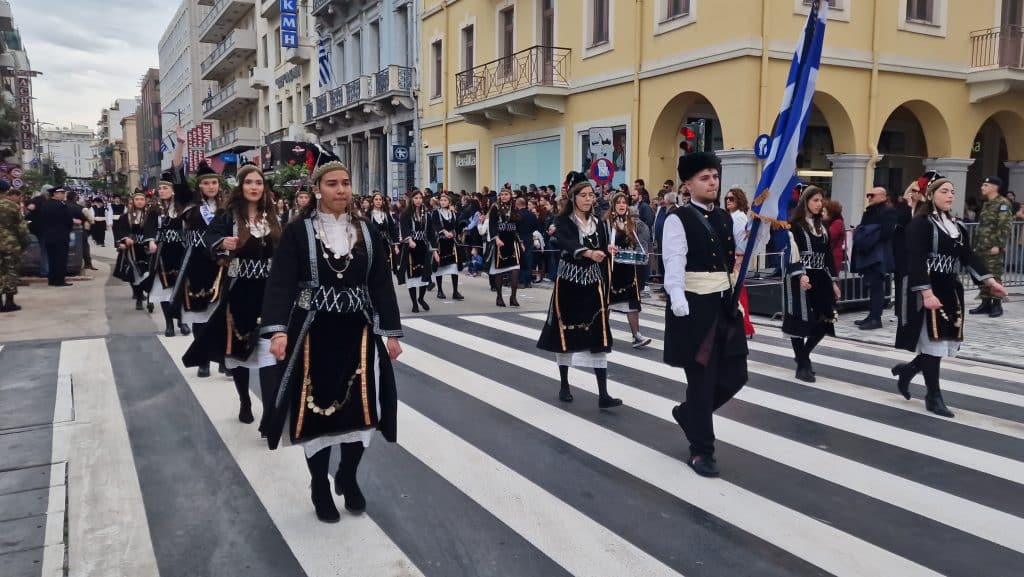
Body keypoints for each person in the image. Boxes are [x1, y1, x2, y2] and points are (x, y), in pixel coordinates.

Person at [261, 156, 403, 522]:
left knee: (363, 410)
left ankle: (348, 476)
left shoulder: (367, 231)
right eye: (332, 184)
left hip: (357, 331)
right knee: (315, 414)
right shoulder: (298, 232)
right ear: (317, 189)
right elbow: (280, 283)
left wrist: (390, 333)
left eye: (345, 183)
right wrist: (277, 329)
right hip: (312, 332)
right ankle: (320, 486)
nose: (341, 190)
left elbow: (381, 283)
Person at [663, 152, 748, 478]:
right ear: (688, 183)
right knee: (702, 381)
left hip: (724, 304)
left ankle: (689, 415)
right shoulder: (678, 218)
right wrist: (678, 298)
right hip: (695, 306)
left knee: (736, 374)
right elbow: (674, 260)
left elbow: (740, 253)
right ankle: (702, 450)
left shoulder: (726, 218)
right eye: (705, 177)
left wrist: (761, 223)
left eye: (715, 176)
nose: (712, 182)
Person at [891, 178, 1007, 417]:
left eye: (952, 192)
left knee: (941, 342)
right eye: (944, 191)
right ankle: (933, 396)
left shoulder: (957, 226)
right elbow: (916, 260)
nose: (950, 195)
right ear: (931, 194)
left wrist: (990, 280)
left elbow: (968, 256)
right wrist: (926, 292)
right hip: (930, 288)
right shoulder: (920, 224)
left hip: (950, 289)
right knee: (933, 344)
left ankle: (909, 371)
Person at [183, 163, 281, 429]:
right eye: (249, 182)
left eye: (259, 183)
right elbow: (209, 238)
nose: (254, 187)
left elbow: (283, 249)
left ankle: (270, 413)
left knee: (271, 352)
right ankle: (244, 400)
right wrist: (222, 243)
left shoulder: (271, 215)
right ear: (241, 186)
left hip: (269, 291)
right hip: (240, 289)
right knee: (238, 350)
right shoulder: (229, 215)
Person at [537, 177, 622, 409]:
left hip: (593, 283)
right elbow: (565, 241)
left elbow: (602, 249)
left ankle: (603, 394)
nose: (588, 199)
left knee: (598, 334)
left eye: (591, 195)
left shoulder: (599, 222)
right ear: (574, 198)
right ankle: (564, 384)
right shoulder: (563, 220)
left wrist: (607, 250)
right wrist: (587, 253)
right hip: (569, 283)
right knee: (565, 333)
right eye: (583, 195)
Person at [782, 186, 840, 383]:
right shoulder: (794, 226)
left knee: (825, 320)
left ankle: (803, 356)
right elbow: (791, 251)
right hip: (800, 277)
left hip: (820, 277)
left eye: (820, 200)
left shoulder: (822, 228)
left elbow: (828, 256)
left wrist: (833, 281)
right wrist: (800, 273)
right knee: (799, 319)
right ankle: (803, 365)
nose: (819, 204)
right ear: (806, 201)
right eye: (815, 200)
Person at [177, 159, 225, 378]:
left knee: (222, 314)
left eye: (214, 182)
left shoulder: (227, 207)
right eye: (206, 183)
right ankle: (203, 359)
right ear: (199, 186)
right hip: (196, 263)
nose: (211, 186)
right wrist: (179, 146)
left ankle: (224, 358)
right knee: (199, 313)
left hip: (220, 263)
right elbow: (178, 179)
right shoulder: (190, 204)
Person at [604, 192, 652, 349]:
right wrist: (607, 248)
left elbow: (637, 244)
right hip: (611, 269)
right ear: (613, 205)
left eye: (624, 202)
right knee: (607, 302)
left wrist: (639, 253)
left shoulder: (632, 224)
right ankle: (602, 333)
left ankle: (636, 336)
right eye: (619, 202)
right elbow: (600, 243)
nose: (622, 205)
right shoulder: (606, 222)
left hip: (628, 268)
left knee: (632, 303)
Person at [851, 186, 896, 330]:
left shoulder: (887, 211)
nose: (869, 198)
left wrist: (869, 237)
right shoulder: (870, 211)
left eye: (872, 195)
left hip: (878, 254)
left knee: (877, 287)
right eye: (868, 195)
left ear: (883, 196)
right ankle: (871, 316)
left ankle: (876, 318)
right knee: (872, 285)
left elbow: (887, 232)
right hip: (868, 253)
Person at [969, 176, 1014, 318]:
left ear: (995, 187)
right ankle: (985, 302)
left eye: (986, 185)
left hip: (993, 247)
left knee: (994, 275)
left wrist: (998, 245)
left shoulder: (1003, 203)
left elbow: (1005, 226)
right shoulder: (987, 204)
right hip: (981, 246)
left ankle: (996, 304)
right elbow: (982, 226)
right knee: (983, 275)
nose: (982, 187)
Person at [112, 192, 153, 311]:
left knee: (148, 274)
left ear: (145, 201)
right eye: (137, 199)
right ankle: (139, 298)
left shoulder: (150, 216)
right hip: (132, 250)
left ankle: (150, 297)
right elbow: (119, 231)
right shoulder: (126, 216)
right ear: (133, 201)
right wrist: (123, 240)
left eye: (142, 199)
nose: (140, 201)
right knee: (134, 275)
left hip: (146, 249)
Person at [28, 186, 75, 287]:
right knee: (61, 259)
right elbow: (68, 220)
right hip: (61, 235)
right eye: (62, 193)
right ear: (55, 194)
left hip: (48, 236)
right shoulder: (61, 205)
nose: (63, 195)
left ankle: (52, 279)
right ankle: (59, 280)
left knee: (51, 258)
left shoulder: (45, 205)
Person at [726, 187, 756, 338]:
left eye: (731, 199)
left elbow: (740, 241)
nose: (728, 201)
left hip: (736, 259)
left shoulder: (738, 218)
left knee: (737, 292)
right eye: (727, 198)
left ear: (739, 200)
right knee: (735, 292)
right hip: (732, 258)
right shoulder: (733, 216)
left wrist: (739, 260)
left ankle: (745, 327)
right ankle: (742, 326)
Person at [486, 188, 522, 307]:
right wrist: (496, 238)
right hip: (500, 240)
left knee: (515, 269)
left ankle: (513, 297)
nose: (504, 196)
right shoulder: (495, 207)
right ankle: (499, 296)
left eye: (506, 194)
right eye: (502, 194)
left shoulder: (514, 208)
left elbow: (517, 227)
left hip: (512, 241)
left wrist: (520, 242)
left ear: (510, 196)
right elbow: (492, 225)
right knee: (499, 270)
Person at [0, 182, 30, 312]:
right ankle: (9, 303)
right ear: (6, 191)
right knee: (11, 272)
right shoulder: (12, 206)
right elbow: (22, 229)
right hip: (10, 244)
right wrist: (24, 244)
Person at [430, 191, 464, 300]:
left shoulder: (452, 213)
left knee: (454, 267)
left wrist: (454, 233)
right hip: (441, 242)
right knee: (440, 266)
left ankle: (455, 291)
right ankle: (440, 290)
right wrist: (444, 232)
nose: (443, 202)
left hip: (451, 242)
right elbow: (436, 225)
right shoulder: (436, 212)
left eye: (445, 200)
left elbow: (456, 226)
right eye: (441, 200)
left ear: (449, 202)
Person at [368, 192, 399, 275]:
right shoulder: (369, 214)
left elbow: (392, 229)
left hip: (385, 243)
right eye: (376, 199)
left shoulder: (386, 214)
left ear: (383, 201)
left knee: (386, 266)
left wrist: (395, 245)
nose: (378, 201)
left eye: (380, 200)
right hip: (374, 244)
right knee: (375, 267)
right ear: (372, 201)